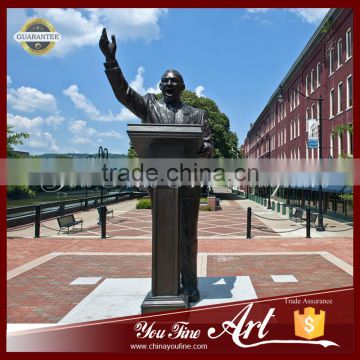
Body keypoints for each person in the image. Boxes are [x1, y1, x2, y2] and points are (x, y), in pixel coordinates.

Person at [99, 28, 213, 302]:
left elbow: (208, 148)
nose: (169, 85)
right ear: (160, 86)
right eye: (165, 81)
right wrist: (111, 61)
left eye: (174, 81)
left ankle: (190, 283)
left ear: (183, 88)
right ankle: (165, 282)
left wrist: (193, 154)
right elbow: (124, 94)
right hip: (161, 183)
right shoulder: (150, 107)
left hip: (188, 183)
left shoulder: (197, 115)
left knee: (187, 235)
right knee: (164, 233)